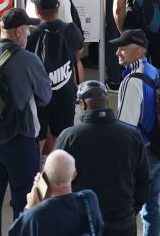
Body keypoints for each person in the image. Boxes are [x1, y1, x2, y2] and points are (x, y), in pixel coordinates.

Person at [0, 8, 52, 236]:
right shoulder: (28, 59)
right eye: (27, 31)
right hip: (21, 138)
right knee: (24, 202)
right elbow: (46, 96)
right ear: (19, 32)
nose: (28, 36)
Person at [54, 80, 148, 236]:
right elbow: (143, 180)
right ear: (106, 102)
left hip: (82, 223)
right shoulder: (131, 136)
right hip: (122, 222)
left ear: (83, 104)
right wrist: (131, 212)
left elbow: (55, 183)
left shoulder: (68, 137)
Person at [112, 29, 160, 236]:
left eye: (122, 49)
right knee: (151, 206)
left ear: (137, 53)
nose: (117, 52)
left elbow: (125, 128)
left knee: (126, 209)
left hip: (140, 155)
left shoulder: (132, 81)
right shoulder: (159, 74)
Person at [25, 0, 84, 152]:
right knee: (63, 141)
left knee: (37, 141)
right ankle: (62, 175)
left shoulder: (31, 33)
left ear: (37, 11)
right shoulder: (71, 30)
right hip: (65, 96)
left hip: (39, 96)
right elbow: (78, 54)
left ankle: (35, 175)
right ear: (58, 6)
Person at [7, 150, 104, 236]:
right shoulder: (88, 199)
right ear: (74, 175)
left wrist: (28, 207)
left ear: (44, 175)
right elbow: (98, 228)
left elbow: (14, 232)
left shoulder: (35, 215)